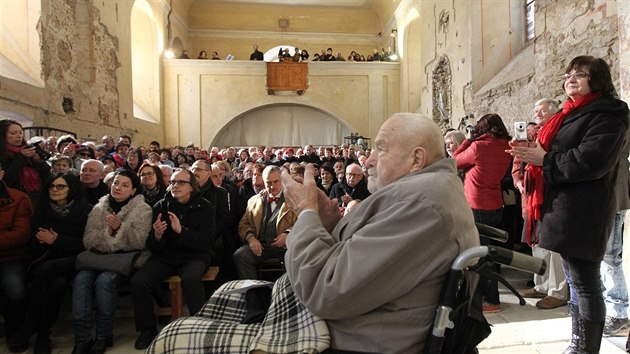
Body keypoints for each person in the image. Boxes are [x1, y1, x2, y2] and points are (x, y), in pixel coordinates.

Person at [280, 113, 478, 352]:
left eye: (381, 149)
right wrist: (329, 224)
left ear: (416, 159)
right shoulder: (423, 191)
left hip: (353, 340)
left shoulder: (421, 203)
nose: (368, 160)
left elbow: (325, 289)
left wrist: (305, 213)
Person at [508, 55, 629, 353]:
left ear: (597, 79)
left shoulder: (608, 115)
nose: (570, 78)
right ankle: (577, 343)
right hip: (564, 208)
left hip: (584, 210)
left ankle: (585, 349)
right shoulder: (569, 114)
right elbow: (557, 150)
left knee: (587, 285)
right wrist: (531, 151)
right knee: (576, 284)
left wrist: (543, 159)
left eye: (580, 74)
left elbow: (591, 161)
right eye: (568, 74)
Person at [130, 168, 215, 349]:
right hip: (166, 256)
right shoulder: (161, 206)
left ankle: (200, 326)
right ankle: (147, 330)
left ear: (191, 187)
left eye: (181, 182)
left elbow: (206, 243)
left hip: (195, 256)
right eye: (173, 182)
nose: (175, 186)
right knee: (139, 281)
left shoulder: (205, 206)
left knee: (191, 279)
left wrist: (181, 232)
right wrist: (157, 236)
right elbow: (153, 246)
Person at [9, 173, 91, 354]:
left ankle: (30, 324)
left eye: (60, 186)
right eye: (52, 186)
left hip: (75, 261)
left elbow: (86, 244)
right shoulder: (43, 210)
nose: (54, 190)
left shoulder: (85, 210)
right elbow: (34, 241)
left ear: (71, 189)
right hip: (46, 262)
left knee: (50, 270)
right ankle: (43, 335)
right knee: (57, 284)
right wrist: (43, 241)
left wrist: (57, 240)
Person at [71, 169, 151, 354]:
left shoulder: (142, 210)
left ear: (133, 190)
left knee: (104, 282)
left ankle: (103, 335)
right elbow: (88, 240)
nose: (118, 188)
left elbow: (140, 241)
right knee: (81, 281)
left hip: (122, 262)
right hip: (97, 260)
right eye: (116, 183)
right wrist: (112, 236)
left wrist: (118, 228)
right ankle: (82, 338)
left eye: (124, 185)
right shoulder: (99, 208)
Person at [452, 113, 512, 313]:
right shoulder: (505, 146)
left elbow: (454, 161)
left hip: (477, 205)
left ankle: (491, 300)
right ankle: (487, 296)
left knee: (480, 255)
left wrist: (468, 140)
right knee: (489, 252)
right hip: (495, 205)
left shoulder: (478, 147)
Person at [514, 98, 569, 311]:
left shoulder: (557, 131)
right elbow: (521, 163)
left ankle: (557, 291)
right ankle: (543, 284)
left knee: (554, 245)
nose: (537, 113)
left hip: (550, 193)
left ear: (553, 112)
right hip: (534, 194)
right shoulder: (537, 134)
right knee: (539, 243)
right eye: (535, 110)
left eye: (542, 110)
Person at [233, 166, 297, 280]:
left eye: (276, 182)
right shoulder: (254, 200)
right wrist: (251, 238)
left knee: (297, 257)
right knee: (240, 256)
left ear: (282, 180)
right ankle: (254, 293)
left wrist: (289, 234)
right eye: (268, 183)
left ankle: (290, 293)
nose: (272, 186)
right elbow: (244, 224)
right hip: (261, 246)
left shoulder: (294, 199)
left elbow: (303, 221)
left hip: (287, 247)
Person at [0, 161, 33, 352]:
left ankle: (16, 333)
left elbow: (21, 234)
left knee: (14, 290)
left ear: (2, 174)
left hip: (11, 256)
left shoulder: (18, 198)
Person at [0, 119, 50, 206]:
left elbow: (48, 179)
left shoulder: (28, 150)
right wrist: (20, 158)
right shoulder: (3, 155)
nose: (19, 136)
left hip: (36, 200)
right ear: (3, 135)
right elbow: (7, 181)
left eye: (20, 133)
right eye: (13, 133)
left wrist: (40, 163)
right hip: (13, 202)